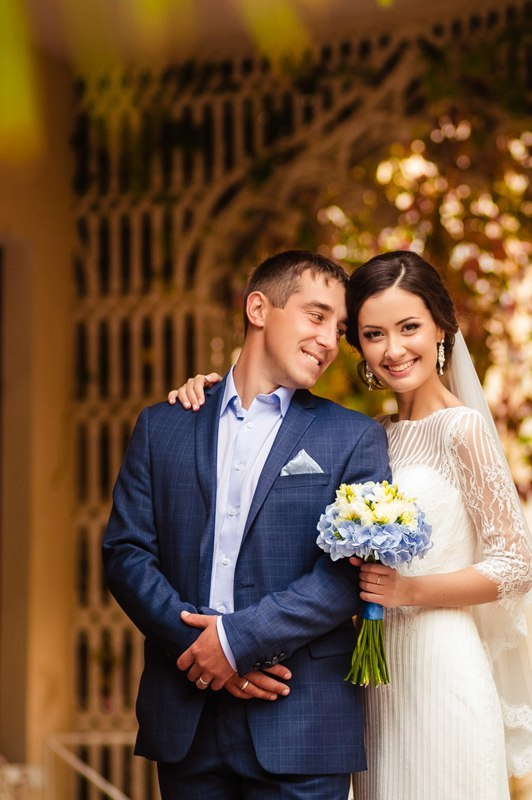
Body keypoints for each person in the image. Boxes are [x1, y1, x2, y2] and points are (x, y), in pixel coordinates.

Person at [171, 250, 532, 798]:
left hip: (440, 662)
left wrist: (409, 590)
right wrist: (208, 394)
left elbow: (516, 566)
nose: (393, 350)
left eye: (409, 328)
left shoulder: (463, 429)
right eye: (374, 334)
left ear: (442, 328)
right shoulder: (368, 435)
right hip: (372, 680)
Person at [103, 250, 392, 800]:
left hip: (299, 719)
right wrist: (202, 649)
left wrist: (235, 643)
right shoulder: (163, 424)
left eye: (340, 327)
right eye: (316, 315)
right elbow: (126, 553)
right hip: (187, 715)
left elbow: (346, 576)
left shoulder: (353, 437)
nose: (330, 340)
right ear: (258, 307)